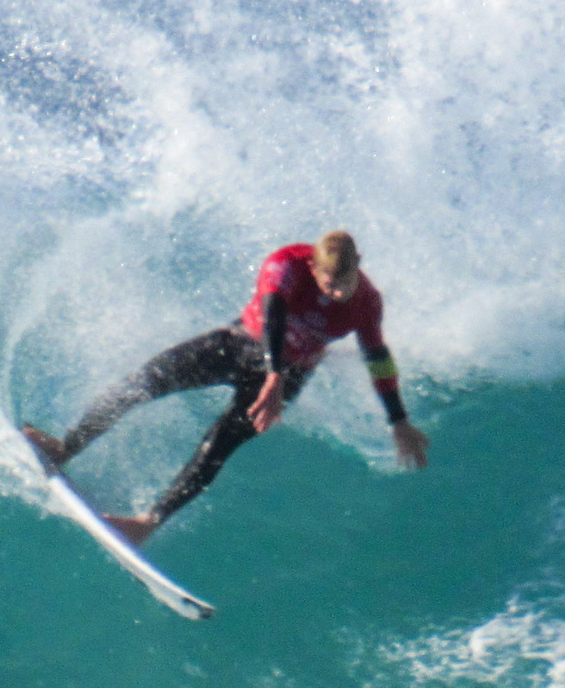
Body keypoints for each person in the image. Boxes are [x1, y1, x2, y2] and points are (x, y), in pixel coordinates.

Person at [23, 230, 430, 545]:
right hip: (240, 344)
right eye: (330, 285)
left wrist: (399, 420)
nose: (340, 293)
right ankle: (66, 448)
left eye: (347, 282)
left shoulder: (367, 302)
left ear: (359, 264)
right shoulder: (287, 263)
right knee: (142, 383)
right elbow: (273, 315)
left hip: (288, 375)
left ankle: (148, 523)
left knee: (220, 444)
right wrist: (272, 372)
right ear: (313, 270)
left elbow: (377, 356)